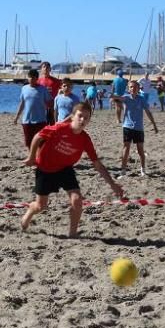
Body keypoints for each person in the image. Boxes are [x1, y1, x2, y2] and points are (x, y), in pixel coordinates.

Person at [20, 102, 124, 238]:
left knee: (77, 200)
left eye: (86, 118)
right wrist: (31, 157)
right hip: (45, 169)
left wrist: (113, 185)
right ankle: (28, 214)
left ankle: (73, 234)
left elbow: (97, 164)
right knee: (41, 206)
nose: (82, 120)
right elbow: (38, 136)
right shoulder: (59, 128)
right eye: (80, 116)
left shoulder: (85, 139)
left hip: (65, 169)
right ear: (73, 116)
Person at [111, 79, 158, 176]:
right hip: (127, 127)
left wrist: (154, 124)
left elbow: (148, 112)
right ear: (129, 89)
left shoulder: (141, 99)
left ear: (138, 88)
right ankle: (123, 170)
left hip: (138, 128)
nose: (133, 88)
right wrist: (111, 95)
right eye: (131, 87)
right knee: (126, 148)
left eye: (135, 87)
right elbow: (117, 98)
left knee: (140, 149)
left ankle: (143, 169)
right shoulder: (126, 98)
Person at [12, 69, 52, 148]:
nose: (31, 79)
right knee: (28, 142)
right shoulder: (24, 88)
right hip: (27, 120)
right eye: (29, 77)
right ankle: (31, 158)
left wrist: (52, 114)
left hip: (40, 120)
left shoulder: (43, 89)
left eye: (33, 78)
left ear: (37, 79)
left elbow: (50, 102)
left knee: (41, 141)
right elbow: (22, 103)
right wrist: (17, 117)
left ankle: (39, 157)